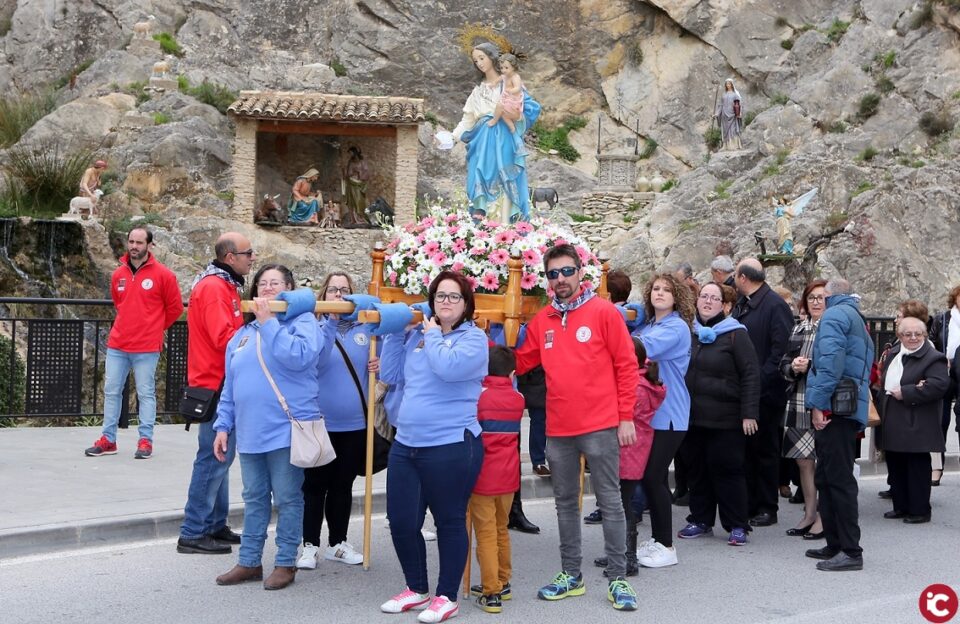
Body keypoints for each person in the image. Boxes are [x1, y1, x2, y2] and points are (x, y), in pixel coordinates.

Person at [514, 244, 640, 611]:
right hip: (559, 428)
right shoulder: (545, 318)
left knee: (610, 501)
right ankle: (572, 575)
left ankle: (618, 577)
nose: (561, 280)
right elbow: (522, 361)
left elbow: (626, 365)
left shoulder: (603, 311)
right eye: (553, 274)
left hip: (601, 425)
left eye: (567, 271)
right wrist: (484, 342)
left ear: (580, 273)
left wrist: (626, 416)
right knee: (565, 504)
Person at [379, 270, 488, 623]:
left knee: (449, 520)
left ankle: (446, 596)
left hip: (451, 444)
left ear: (467, 303)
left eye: (454, 296)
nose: (445, 302)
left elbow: (447, 368)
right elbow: (391, 375)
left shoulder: (474, 339)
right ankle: (416, 587)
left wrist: (431, 334)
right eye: (440, 295)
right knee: (400, 520)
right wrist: (397, 334)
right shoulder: (420, 336)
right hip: (406, 444)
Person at [213, 265, 320, 591]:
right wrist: (222, 425)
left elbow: (299, 357)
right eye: (263, 284)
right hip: (249, 433)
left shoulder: (303, 323)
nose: (269, 288)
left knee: (288, 498)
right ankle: (249, 561)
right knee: (254, 498)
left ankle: (286, 562)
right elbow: (231, 385)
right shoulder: (242, 335)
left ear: (289, 288)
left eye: (276, 283)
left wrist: (269, 323)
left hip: (286, 430)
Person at [177, 232, 256, 555]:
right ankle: (193, 531)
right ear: (229, 258)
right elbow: (226, 337)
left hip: (217, 380)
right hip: (215, 383)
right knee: (213, 458)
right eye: (247, 252)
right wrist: (258, 332)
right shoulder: (214, 288)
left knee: (219, 457)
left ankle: (214, 524)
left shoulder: (221, 284)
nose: (252, 257)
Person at [297, 272, 378, 570]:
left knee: (343, 485)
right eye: (333, 289)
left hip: (355, 423)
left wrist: (380, 364)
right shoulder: (315, 327)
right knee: (315, 486)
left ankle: (338, 543)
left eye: (345, 290)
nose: (339, 295)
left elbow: (386, 367)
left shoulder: (367, 330)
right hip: (320, 422)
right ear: (324, 294)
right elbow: (316, 360)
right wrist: (330, 321)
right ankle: (309, 545)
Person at [84, 227, 183, 459]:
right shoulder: (118, 274)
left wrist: (155, 327)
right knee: (111, 391)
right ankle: (108, 440)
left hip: (147, 347)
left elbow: (175, 308)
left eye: (139, 242)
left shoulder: (164, 275)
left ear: (150, 245)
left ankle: (145, 441)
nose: (134, 246)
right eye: (131, 241)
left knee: (146, 393)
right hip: (118, 344)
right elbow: (120, 304)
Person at [677, 282, 759, 546]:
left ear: (725, 305)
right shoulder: (689, 332)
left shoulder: (736, 334)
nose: (708, 301)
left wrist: (749, 414)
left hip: (727, 418)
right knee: (697, 471)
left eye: (714, 298)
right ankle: (700, 519)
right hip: (692, 416)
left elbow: (750, 375)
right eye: (704, 296)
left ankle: (737, 524)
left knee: (728, 471)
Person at [804, 277, 874, 572]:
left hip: (835, 409)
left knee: (839, 480)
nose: (818, 301)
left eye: (822, 296)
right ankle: (835, 543)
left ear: (831, 295)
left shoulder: (834, 316)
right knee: (829, 477)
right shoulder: (855, 316)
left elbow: (830, 361)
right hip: (847, 408)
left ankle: (849, 550)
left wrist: (819, 404)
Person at [632, 272, 694, 568]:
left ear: (676, 297)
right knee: (649, 477)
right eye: (655, 289)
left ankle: (667, 546)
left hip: (670, 413)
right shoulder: (649, 325)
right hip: (649, 414)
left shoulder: (676, 327)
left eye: (666, 290)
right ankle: (658, 540)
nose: (659, 293)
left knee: (654, 477)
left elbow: (639, 349)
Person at [732, 258, 794, 527]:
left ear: (743, 277)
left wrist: (757, 383)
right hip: (747, 389)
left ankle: (767, 506)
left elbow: (779, 352)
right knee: (747, 451)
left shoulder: (774, 306)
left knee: (765, 451)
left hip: (766, 393)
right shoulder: (744, 303)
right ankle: (749, 502)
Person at [593, 337, 663, 575]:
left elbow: (616, 414)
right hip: (630, 451)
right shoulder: (641, 381)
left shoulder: (636, 387)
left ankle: (628, 557)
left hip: (627, 452)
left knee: (622, 505)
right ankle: (618, 551)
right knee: (618, 503)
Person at [451, 42, 540, 224]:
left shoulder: (507, 83)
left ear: (492, 57)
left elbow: (527, 107)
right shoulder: (477, 91)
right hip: (482, 141)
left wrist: (514, 115)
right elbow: (467, 120)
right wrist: (451, 139)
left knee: (505, 177)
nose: (480, 63)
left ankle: (505, 225)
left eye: (482, 58)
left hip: (503, 139)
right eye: (476, 61)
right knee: (477, 177)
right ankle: (483, 225)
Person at [467, 345, 525, 613]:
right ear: (512, 374)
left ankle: (491, 592)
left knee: (486, 534)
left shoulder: (477, 398)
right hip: (509, 475)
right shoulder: (518, 399)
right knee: (502, 530)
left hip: (482, 476)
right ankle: (503, 581)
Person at [878, 316, 949, 523]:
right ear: (900, 336)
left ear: (925, 335)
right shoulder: (894, 353)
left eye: (918, 334)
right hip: (893, 418)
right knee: (896, 464)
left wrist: (907, 392)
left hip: (916, 420)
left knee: (916, 466)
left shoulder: (933, 357)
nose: (913, 338)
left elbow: (938, 385)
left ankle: (919, 511)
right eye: (907, 334)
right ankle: (900, 506)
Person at [779, 280, 828, 539]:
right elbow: (784, 362)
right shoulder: (799, 326)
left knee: (821, 460)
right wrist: (793, 367)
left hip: (823, 400)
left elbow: (836, 366)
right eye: (812, 298)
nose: (816, 302)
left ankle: (823, 516)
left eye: (821, 298)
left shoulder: (833, 327)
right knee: (803, 460)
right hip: (798, 396)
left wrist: (810, 366)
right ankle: (809, 513)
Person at [928, 283, 960, 485]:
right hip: (945, 372)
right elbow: (931, 343)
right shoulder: (943, 318)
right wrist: (941, 359)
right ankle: (936, 467)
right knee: (940, 420)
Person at [487, 53, 524, 134]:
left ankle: (494, 120)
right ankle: (511, 126)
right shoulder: (505, 75)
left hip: (513, 101)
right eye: (501, 68)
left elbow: (518, 88)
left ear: (513, 67)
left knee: (500, 106)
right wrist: (493, 83)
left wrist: (511, 91)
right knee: (503, 113)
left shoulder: (515, 77)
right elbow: (498, 79)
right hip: (506, 98)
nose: (503, 70)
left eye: (506, 68)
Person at [343, 147, 370, 226]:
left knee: (359, 201)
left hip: (359, 184)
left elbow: (366, 172)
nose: (350, 155)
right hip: (351, 184)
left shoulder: (362, 162)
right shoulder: (350, 162)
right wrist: (346, 173)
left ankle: (361, 219)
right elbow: (348, 173)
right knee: (351, 202)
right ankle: (353, 220)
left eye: (351, 153)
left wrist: (359, 173)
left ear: (355, 153)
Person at [714, 78, 743, 150]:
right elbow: (721, 105)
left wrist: (739, 113)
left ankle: (734, 145)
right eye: (727, 84)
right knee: (725, 130)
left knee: (733, 129)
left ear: (732, 85)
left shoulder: (735, 95)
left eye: (729, 84)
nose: (728, 85)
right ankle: (725, 146)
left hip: (732, 115)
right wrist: (717, 114)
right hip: (724, 115)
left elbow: (739, 105)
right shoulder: (724, 95)